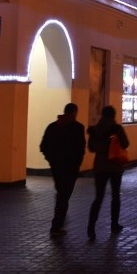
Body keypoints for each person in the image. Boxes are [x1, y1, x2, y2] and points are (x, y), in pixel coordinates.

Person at [40, 102, 86, 238]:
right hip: (71, 168)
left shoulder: (52, 127)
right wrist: (77, 164)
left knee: (61, 193)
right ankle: (56, 226)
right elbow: (80, 148)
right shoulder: (78, 128)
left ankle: (58, 223)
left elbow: (43, 146)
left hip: (56, 167)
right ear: (75, 113)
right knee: (64, 196)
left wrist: (51, 160)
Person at [86, 105, 129, 241]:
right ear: (114, 115)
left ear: (102, 115)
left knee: (98, 197)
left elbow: (91, 148)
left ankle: (91, 228)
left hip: (100, 167)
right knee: (115, 196)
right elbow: (126, 144)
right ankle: (114, 224)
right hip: (115, 166)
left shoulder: (94, 130)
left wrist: (102, 148)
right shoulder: (117, 129)